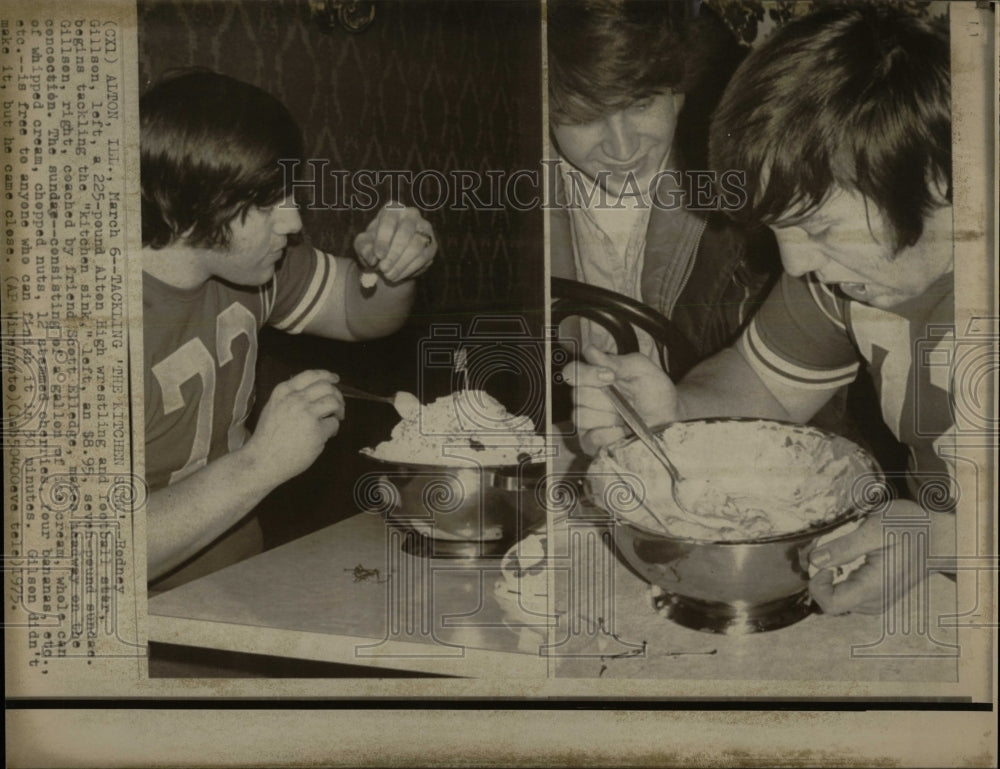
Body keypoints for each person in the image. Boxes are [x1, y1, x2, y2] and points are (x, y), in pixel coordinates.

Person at [565, 4, 955, 615]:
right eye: (780, 231)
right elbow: (758, 388)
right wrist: (674, 412)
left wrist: (949, 540)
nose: (795, 264)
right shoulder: (838, 279)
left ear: (936, 178)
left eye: (821, 227)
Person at [141, 70, 436, 587]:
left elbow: (358, 313)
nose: (293, 221)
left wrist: (395, 269)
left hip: (245, 577)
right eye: (266, 202)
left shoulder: (253, 268)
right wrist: (261, 463)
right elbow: (86, 560)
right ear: (193, 200)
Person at [548, 0, 780, 379]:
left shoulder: (742, 204)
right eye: (584, 117)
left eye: (641, 105)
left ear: (678, 92)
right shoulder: (507, 207)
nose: (622, 149)